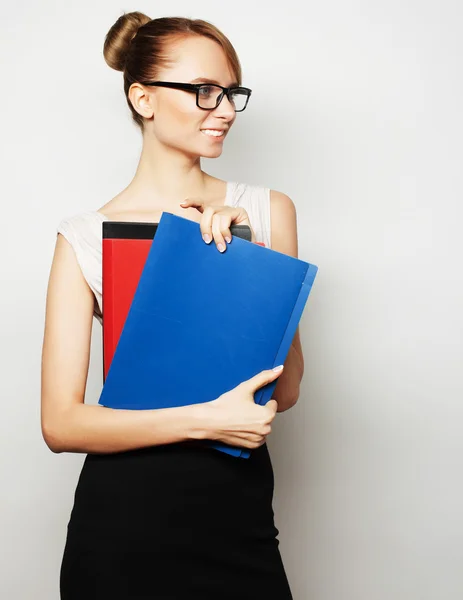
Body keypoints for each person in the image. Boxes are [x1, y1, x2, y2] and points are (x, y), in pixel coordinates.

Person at [41, 11, 304, 600]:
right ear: (143, 98)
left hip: (238, 525)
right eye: (203, 92)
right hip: (121, 534)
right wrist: (208, 420)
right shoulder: (86, 234)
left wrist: (244, 264)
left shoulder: (264, 212)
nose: (226, 109)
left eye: (231, 92)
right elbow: (60, 424)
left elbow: (283, 392)